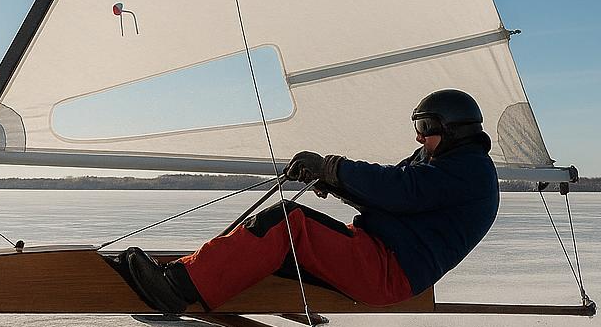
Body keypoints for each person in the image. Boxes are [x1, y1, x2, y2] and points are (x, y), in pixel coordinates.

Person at [122, 89, 500, 313]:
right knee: (275, 240)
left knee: (289, 223)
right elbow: (388, 196)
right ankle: (188, 275)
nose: (419, 138)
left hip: (389, 270)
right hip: (375, 253)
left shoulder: (470, 171)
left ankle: (177, 290)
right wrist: (329, 181)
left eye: (426, 128)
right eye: (417, 128)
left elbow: (397, 189)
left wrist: (331, 168)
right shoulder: (439, 162)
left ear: (453, 129)